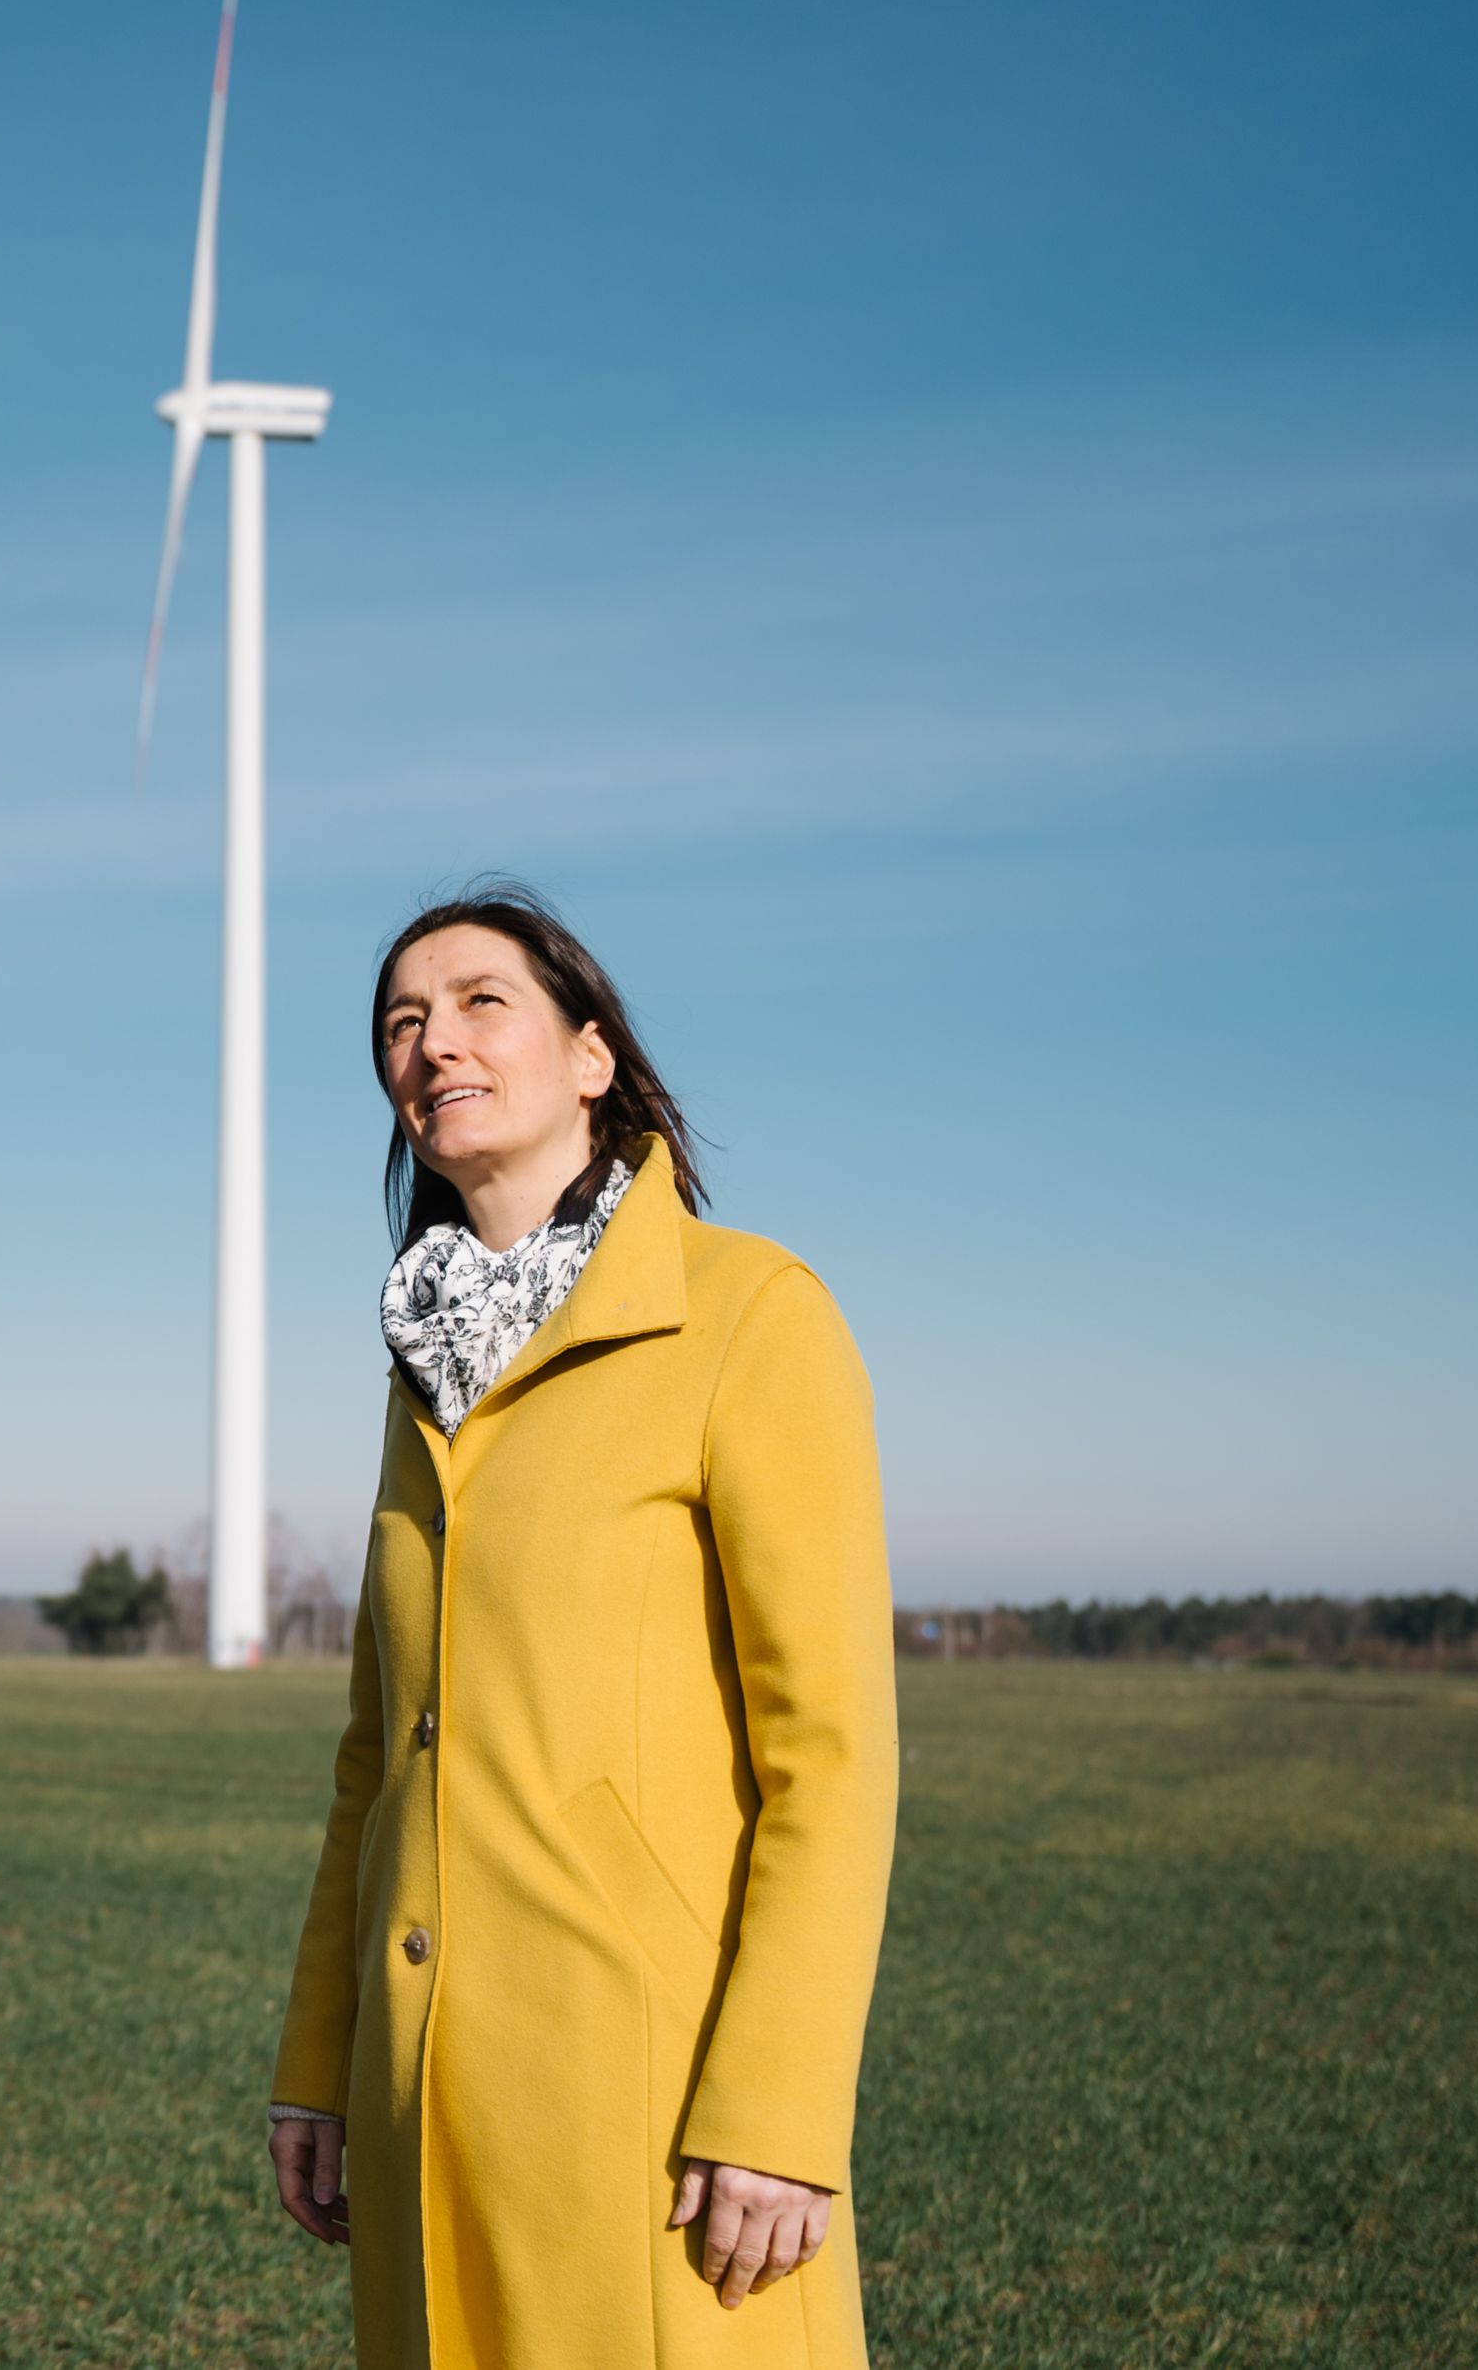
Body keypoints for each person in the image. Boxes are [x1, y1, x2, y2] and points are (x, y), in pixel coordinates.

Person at [264, 885, 899, 2370]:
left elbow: (834, 1756)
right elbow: (376, 1758)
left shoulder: (748, 1313)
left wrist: (778, 2110)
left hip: (659, 2112)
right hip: (432, 2101)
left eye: (482, 1001)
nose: (432, 1043)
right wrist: (320, 2062)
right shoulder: (418, 1370)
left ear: (592, 1057)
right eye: (399, 1022)